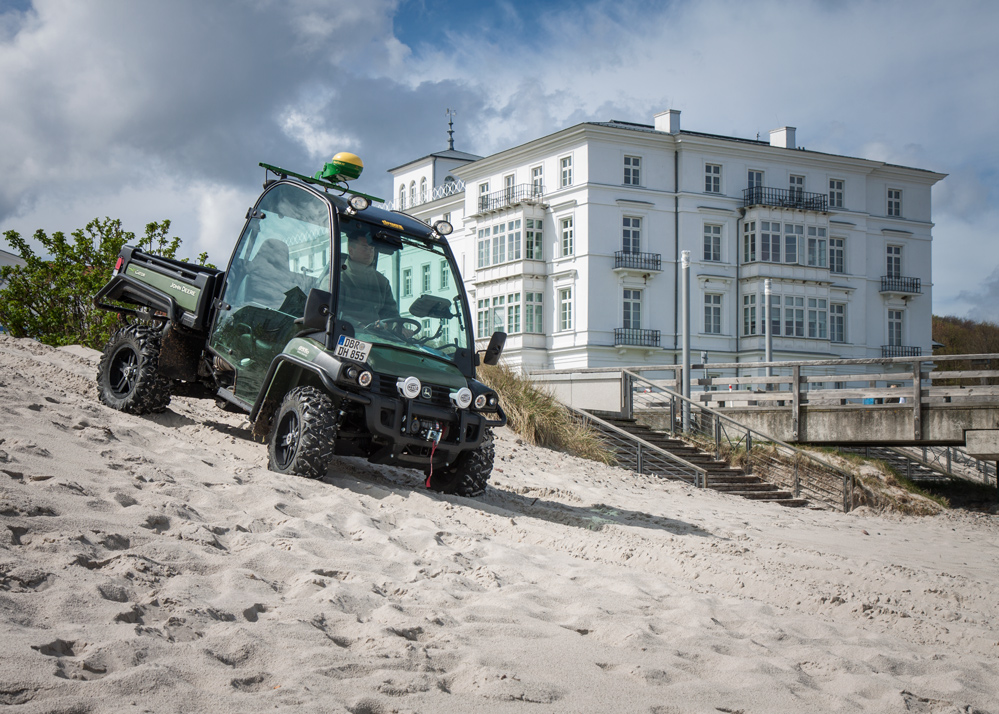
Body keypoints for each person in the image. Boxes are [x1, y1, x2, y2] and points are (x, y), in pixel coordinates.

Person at [337, 230, 411, 334]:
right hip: (347, 337)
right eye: (365, 248)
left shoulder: (382, 282)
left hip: (378, 341)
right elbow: (333, 314)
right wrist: (360, 326)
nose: (370, 252)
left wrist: (397, 328)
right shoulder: (337, 280)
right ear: (351, 251)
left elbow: (391, 315)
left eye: (372, 248)